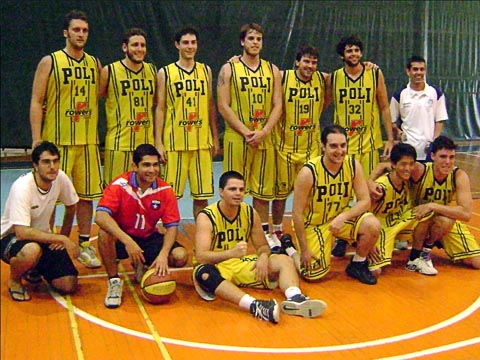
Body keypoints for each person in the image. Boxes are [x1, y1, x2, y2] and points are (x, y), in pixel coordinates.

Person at [192, 170, 326, 323]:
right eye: (232, 189)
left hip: (239, 264)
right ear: (221, 192)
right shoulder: (207, 216)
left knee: (283, 260)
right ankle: (255, 306)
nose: (238, 193)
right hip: (217, 267)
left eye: (241, 190)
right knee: (204, 273)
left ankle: (296, 298)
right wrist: (231, 253)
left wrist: (263, 256)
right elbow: (201, 257)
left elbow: (262, 246)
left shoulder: (249, 212)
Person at [29, 10, 102, 268]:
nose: (81, 34)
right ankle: (48, 245)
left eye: (84, 30)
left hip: (87, 141)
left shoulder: (95, 63)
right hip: (58, 142)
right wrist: (37, 139)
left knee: (86, 196)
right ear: (66, 32)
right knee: (50, 199)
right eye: (76, 30)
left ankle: (84, 244)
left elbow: (101, 94)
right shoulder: (50, 61)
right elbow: (37, 102)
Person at [95, 144, 188, 308]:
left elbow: (172, 226)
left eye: (155, 165)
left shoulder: (165, 189)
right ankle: (114, 281)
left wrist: (163, 255)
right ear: (134, 166)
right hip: (123, 238)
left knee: (180, 256)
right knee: (104, 234)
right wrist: (127, 241)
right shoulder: (120, 185)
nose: (152, 170)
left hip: (148, 236)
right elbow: (100, 216)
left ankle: (142, 265)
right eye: (146, 165)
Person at [370, 136, 480, 274]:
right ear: (432, 156)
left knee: (476, 262)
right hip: (416, 219)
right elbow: (384, 165)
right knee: (428, 214)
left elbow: (466, 214)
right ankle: (417, 255)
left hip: (444, 221)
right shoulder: (419, 170)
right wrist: (370, 182)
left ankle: (429, 246)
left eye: (451, 157)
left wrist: (432, 205)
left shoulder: (458, 176)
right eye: (443, 157)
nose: (448, 162)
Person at [217, 23, 283, 252]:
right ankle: (230, 233)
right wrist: (246, 131)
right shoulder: (229, 69)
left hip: (264, 137)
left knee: (263, 192)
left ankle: (264, 234)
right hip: (238, 138)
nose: (255, 42)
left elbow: (278, 105)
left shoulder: (272, 70)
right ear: (242, 42)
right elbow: (223, 105)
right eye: (251, 38)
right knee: (234, 189)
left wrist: (264, 131)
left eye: (259, 39)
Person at [330, 34, 394, 258]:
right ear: (342, 55)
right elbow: (323, 103)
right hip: (343, 148)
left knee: (365, 194)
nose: (354, 54)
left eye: (357, 50)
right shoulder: (334, 78)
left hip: (368, 143)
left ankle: (362, 235)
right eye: (349, 51)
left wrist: (390, 138)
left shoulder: (374, 73)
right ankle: (342, 236)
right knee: (341, 195)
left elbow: (384, 107)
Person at [292, 125, 381, 285]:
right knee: (312, 274)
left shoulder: (353, 165)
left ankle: (358, 263)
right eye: (333, 146)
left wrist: (343, 217)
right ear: (323, 146)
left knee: (372, 225)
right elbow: (297, 214)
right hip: (314, 224)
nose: (339, 151)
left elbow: (365, 201)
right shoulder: (308, 172)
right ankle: (290, 249)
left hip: (339, 219)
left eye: (343, 145)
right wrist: (304, 250)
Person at [1, 141, 80, 301]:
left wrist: (62, 238)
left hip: (42, 236)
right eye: (46, 162)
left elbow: (72, 206)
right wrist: (61, 238)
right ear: (35, 165)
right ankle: (15, 281)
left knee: (68, 284)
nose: (52, 166)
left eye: (55, 161)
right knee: (31, 251)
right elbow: (22, 232)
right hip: (10, 237)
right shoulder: (22, 187)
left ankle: (34, 268)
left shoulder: (60, 178)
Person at [155, 25, 220, 219]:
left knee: (202, 197)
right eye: (185, 43)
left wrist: (215, 137)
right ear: (177, 45)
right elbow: (160, 108)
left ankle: (200, 237)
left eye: (193, 42)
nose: (190, 46)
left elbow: (210, 105)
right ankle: (167, 238)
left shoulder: (205, 70)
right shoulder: (165, 72)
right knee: (169, 197)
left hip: (201, 143)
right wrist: (158, 142)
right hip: (174, 144)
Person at [271, 45, 329, 251]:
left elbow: (342, 77)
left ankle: (309, 230)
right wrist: (234, 60)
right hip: (284, 147)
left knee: (311, 193)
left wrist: (367, 65)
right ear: (297, 62)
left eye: (314, 62)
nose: (310, 66)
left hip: (310, 148)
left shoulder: (323, 79)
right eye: (306, 61)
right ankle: (277, 230)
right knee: (280, 193)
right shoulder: (282, 77)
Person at [99, 28, 157, 186]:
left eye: (143, 45)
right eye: (135, 45)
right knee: (115, 194)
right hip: (118, 144)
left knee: (146, 194)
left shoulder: (152, 70)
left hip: (146, 145)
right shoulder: (109, 71)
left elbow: (158, 103)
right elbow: (96, 98)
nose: (140, 49)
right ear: (125, 47)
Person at [368, 143, 431, 276]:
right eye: (403, 164)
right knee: (375, 271)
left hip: (398, 223)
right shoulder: (380, 188)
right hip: (381, 230)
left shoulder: (408, 180)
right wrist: (368, 242)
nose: (408, 168)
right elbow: (363, 214)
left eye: (411, 164)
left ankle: (415, 257)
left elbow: (383, 165)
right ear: (393, 164)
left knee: (427, 211)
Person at [390, 55, 448, 162]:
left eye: (422, 69)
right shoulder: (399, 94)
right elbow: (391, 121)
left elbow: (439, 120)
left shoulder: (436, 93)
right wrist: (398, 132)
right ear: (408, 71)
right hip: (407, 149)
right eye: (415, 69)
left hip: (428, 150)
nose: (419, 73)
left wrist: (433, 142)